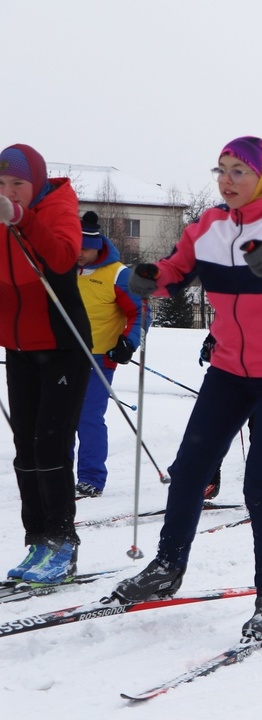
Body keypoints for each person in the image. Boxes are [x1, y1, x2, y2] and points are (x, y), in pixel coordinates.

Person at [111, 136, 262, 640]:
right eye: (222, 170)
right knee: (190, 467)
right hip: (230, 367)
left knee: (261, 483)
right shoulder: (208, 227)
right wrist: (152, 277)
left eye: (239, 170)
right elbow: (176, 270)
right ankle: (167, 566)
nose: (227, 179)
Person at [1, 143, 92, 583]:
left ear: (35, 182)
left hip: (62, 347)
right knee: (24, 450)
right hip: (18, 349)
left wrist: (23, 220)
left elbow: (61, 258)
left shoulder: (56, 208)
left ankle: (63, 543)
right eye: (1, 184)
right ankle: (37, 540)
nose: (9, 192)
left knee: (50, 445)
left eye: (18, 183)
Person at [73, 211, 149, 497]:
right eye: (75, 246)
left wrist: (128, 343)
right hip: (62, 356)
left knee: (88, 418)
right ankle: (53, 474)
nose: (80, 253)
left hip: (98, 358)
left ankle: (91, 478)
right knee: (57, 420)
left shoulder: (118, 273)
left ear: (98, 245)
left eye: (86, 248)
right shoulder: (60, 268)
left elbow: (142, 312)